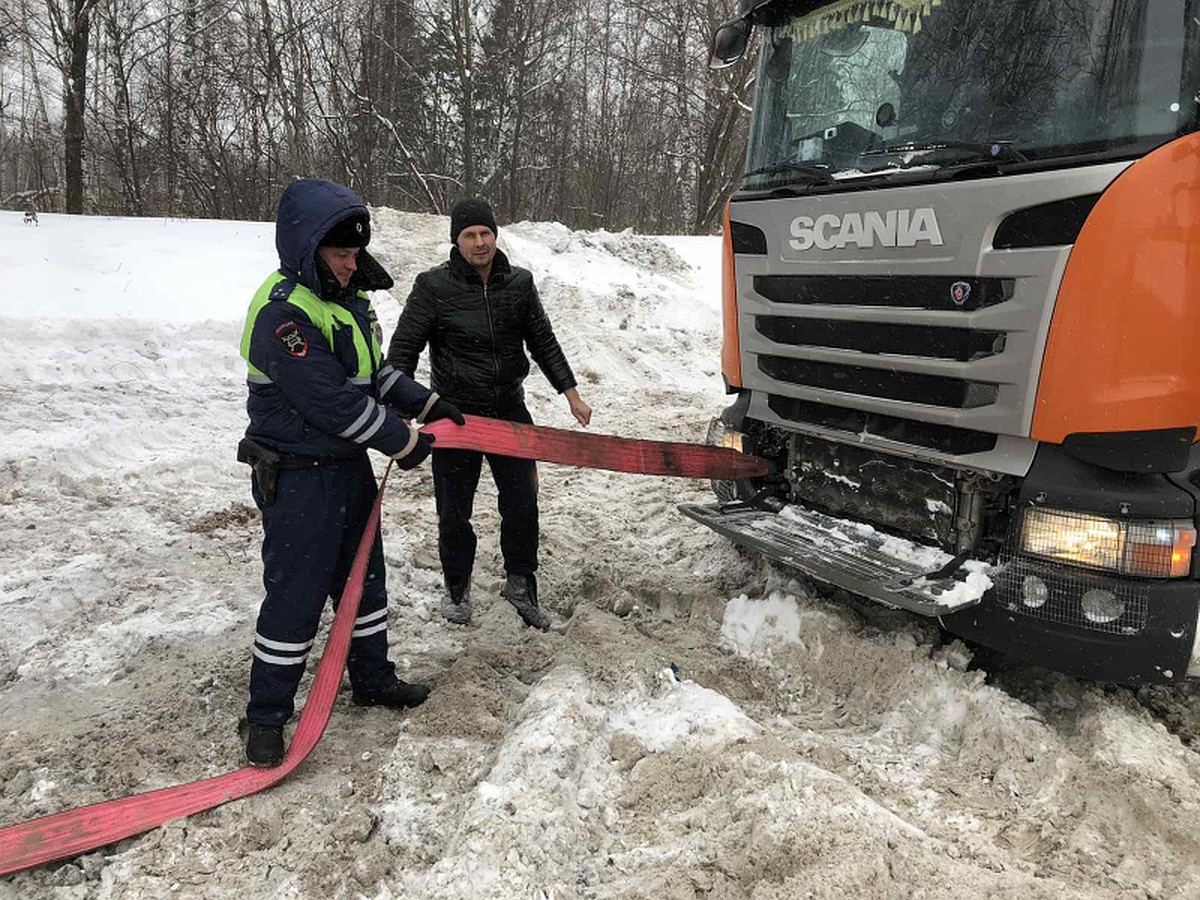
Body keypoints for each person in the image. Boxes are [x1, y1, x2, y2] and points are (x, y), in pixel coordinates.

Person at [237, 178, 464, 767]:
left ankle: (373, 679)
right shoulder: (283, 313)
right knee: (296, 597)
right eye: (339, 254)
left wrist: (425, 403)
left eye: (354, 254)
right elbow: (332, 402)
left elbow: (375, 376)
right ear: (309, 248)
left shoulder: (350, 304)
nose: (349, 264)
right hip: (297, 476)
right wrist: (404, 442)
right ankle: (265, 718)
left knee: (364, 585)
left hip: (347, 469)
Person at [387, 198, 591, 630]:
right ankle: (457, 587)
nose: (479, 242)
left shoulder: (519, 283)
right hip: (453, 414)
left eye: (485, 233)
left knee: (521, 502)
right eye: (469, 235)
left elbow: (543, 341)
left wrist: (570, 393)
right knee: (454, 510)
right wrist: (402, 407)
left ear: (495, 236)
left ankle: (521, 583)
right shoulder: (432, 287)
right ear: (455, 241)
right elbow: (403, 349)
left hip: (509, 410)